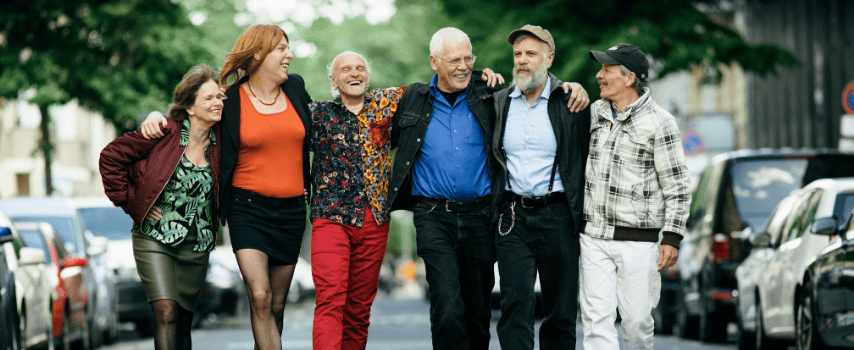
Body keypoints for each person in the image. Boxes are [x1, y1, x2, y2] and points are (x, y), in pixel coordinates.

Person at [389, 27, 589, 350]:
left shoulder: (500, 94)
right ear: (434, 62)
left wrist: (575, 87)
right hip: (455, 216)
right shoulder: (423, 98)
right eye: (455, 59)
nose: (464, 66)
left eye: (469, 58)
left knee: (486, 311)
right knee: (457, 306)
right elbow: (375, 132)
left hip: (501, 215)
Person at [310, 51, 503, 350]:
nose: (354, 73)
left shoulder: (389, 102)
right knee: (331, 299)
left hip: (375, 218)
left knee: (359, 309)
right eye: (345, 69)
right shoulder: (318, 114)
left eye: (360, 67)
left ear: (368, 75)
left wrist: (478, 75)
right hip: (330, 216)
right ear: (333, 80)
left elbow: (439, 81)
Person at [140, 25, 313, 350]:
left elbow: (321, 127)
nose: (289, 55)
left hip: (292, 211)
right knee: (259, 295)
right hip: (247, 209)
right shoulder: (229, 99)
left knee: (276, 305)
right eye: (281, 49)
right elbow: (189, 118)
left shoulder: (296, 88)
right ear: (258, 54)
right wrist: (154, 117)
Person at [99, 63, 223, 350]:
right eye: (209, 98)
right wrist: (133, 203)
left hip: (197, 245)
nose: (217, 103)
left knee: (182, 321)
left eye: (219, 97)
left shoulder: (221, 143)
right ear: (190, 107)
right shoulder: (164, 133)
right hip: (154, 238)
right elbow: (110, 159)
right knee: (165, 313)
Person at [582, 43, 691, 350]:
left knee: (636, 324)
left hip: (639, 241)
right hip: (594, 236)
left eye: (606, 70)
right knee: (595, 322)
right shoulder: (594, 113)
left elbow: (678, 186)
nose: (598, 75)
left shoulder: (661, 122)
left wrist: (671, 237)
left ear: (628, 78)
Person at [489, 25, 590, 350]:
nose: (522, 60)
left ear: (549, 57)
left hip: (558, 215)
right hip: (512, 218)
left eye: (530, 54)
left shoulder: (571, 102)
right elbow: (459, 75)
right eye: (517, 54)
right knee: (514, 308)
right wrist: (483, 74)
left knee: (560, 313)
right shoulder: (499, 102)